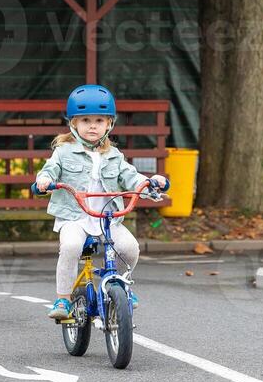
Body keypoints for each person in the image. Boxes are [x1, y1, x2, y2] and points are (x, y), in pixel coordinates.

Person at [36, 84, 169, 321]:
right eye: (86, 120)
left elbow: (131, 176)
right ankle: (63, 298)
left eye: (99, 120)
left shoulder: (114, 156)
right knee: (70, 247)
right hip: (74, 217)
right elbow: (50, 170)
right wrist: (44, 181)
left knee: (130, 248)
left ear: (109, 124)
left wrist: (150, 183)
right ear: (74, 124)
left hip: (108, 219)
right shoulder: (63, 152)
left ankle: (121, 285)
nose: (93, 125)